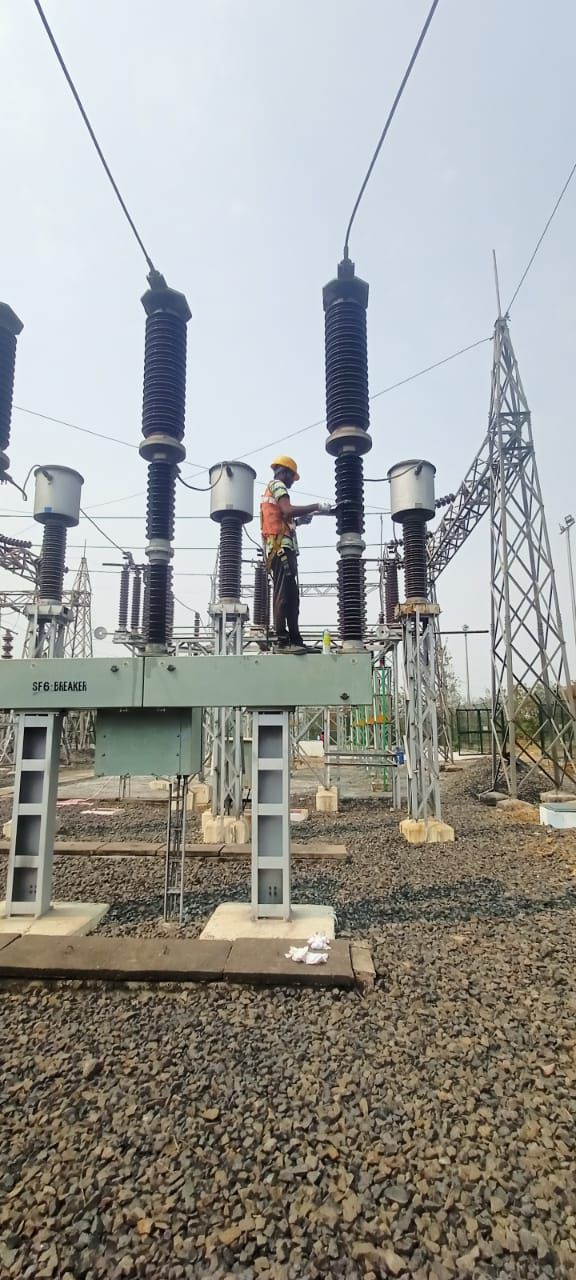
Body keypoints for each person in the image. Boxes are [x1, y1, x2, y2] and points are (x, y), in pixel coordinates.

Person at [260, 456, 333, 653]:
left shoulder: (273, 489)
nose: (292, 481)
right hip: (281, 550)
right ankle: (283, 642)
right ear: (284, 472)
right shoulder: (278, 485)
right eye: (292, 476)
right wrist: (317, 506)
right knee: (283, 594)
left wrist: (300, 521)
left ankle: (295, 640)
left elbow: (281, 517)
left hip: (283, 549)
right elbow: (287, 510)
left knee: (292, 596)